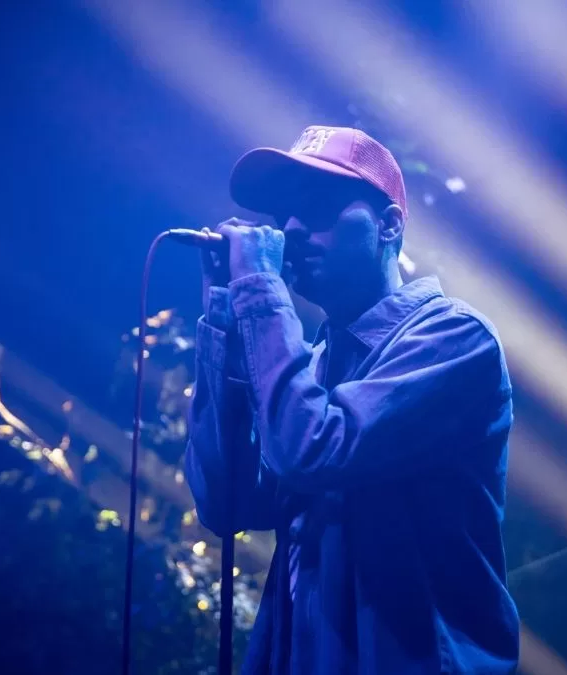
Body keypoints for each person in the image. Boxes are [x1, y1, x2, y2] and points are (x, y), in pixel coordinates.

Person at [183, 126, 519, 674]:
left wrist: (262, 296)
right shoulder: (309, 366)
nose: (292, 229)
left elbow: (314, 451)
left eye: (317, 208)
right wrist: (224, 322)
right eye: (284, 215)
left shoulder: (454, 339)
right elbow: (227, 504)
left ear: (389, 225)